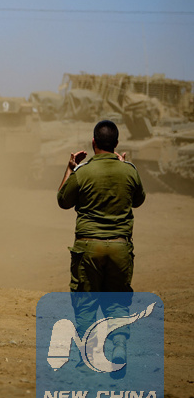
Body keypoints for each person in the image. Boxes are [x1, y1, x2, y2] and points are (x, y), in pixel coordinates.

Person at [57, 119, 146, 364]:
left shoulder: (82, 171)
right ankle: (119, 345)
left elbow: (63, 200)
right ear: (116, 144)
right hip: (119, 246)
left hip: (88, 247)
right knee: (117, 300)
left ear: (93, 142)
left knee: (86, 302)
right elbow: (138, 200)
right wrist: (124, 166)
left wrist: (70, 168)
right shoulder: (129, 170)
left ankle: (88, 352)